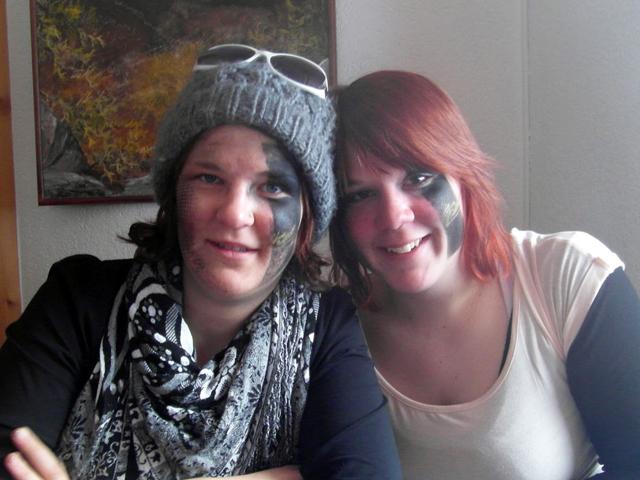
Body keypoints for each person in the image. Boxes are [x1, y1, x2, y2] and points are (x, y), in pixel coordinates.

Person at [0, 45, 402, 480]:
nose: (234, 214)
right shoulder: (77, 299)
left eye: (273, 188)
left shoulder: (326, 328)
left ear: (307, 213)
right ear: (175, 190)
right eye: (210, 178)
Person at [330, 70, 640, 479]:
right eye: (361, 194)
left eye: (418, 179)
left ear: (463, 177)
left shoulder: (568, 276)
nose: (393, 217)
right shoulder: (334, 330)